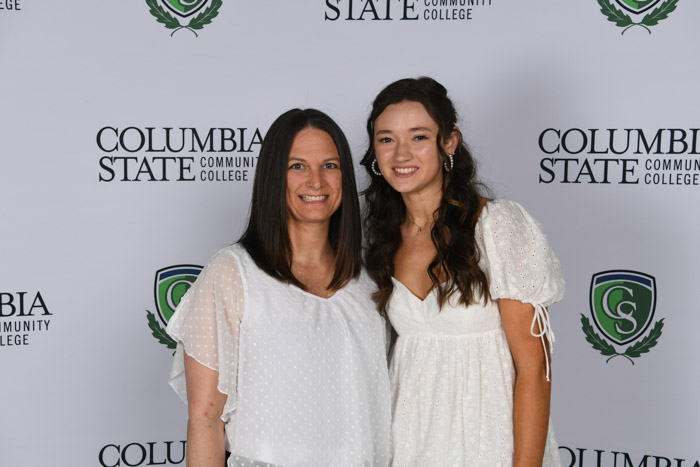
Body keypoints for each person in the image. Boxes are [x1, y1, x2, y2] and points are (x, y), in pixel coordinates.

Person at [166, 108, 391, 467]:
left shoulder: (372, 279)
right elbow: (206, 418)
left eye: (330, 166)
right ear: (274, 177)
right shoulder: (232, 273)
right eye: (297, 166)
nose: (316, 181)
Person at [360, 77, 565, 467]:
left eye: (418, 137)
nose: (401, 154)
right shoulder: (384, 238)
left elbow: (534, 371)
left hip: (488, 442)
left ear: (449, 142)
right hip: (406, 441)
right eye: (386, 139)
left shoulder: (498, 226)